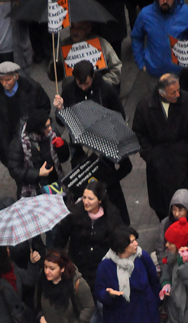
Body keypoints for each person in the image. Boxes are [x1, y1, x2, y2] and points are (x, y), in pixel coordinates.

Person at [54, 183, 124, 305]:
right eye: (84, 197)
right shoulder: (73, 215)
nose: (86, 201)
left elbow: (120, 239)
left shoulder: (112, 217)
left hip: (101, 269)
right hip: (79, 268)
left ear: (100, 200)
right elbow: (60, 239)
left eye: (90, 198)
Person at [132, 75, 188, 221]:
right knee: (163, 206)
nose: (178, 94)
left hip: (183, 161)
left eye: (178, 90)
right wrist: (151, 156)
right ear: (161, 93)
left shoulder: (185, 101)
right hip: (158, 165)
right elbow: (138, 134)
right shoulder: (144, 107)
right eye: (173, 92)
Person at [0, 62, 50, 168]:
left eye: (8, 80)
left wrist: (38, 123)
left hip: (30, 139)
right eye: (1, 80)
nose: (4, 84)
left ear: (16, 76)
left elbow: (45, 106)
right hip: (7, 142)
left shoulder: (31, 88)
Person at [7, 111, 69, 198]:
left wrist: (62, 147)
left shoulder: (52, 135)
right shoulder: (19, 144)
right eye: (47, 126)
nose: (50, 128)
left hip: (54, 183)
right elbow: (15, 170)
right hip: (35, 188)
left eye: (50, 124)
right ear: (38, 129)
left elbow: (64, 158)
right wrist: (38, 173)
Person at [132, 0, 188, 78]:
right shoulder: (145, 14)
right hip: (154, 75)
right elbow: (136, 37)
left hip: (179, 75)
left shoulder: (186, 14)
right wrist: (141, 62)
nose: (164, 1)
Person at [58, 21, 122, 86]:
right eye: (72, 27)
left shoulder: (101, 44)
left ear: (88, 28)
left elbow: (117, 67)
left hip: (96, 93)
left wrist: (103, 82)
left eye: (79, 28)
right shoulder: (63, 46)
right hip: (71, 94)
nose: (74, 32)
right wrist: (54, 68)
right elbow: (55, 76)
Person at [160, 215, 188, 323]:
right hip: (179, 320)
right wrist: (165, 282)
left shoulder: (183, 262)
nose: (166, 245)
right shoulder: (172, 256)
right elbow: (167, 270)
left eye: (170, 242)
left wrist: (184, 266)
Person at [53, 61, 125, 117]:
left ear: (93, 75)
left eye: (86, 83)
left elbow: (120, 114)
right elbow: (62, 122)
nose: (83, 87)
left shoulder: (106, 90)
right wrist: (60, 109)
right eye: (80, 84)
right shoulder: (68, 91)